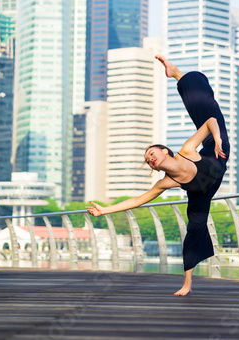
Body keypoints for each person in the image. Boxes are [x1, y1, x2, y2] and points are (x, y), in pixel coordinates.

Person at [86, 55, 229, 296]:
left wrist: (216, 140)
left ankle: (177, 73)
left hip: (214, 156)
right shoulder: (166, 182)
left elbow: (212, 121)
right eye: (148, 160)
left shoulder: (186, 151)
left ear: (165, 151)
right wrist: (103, 210)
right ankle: (187, 284)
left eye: (152, 152)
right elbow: (136, 201)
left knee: (205, 107)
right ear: (155, 167)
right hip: (201, 194)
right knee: (194, 230)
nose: (150, 158)